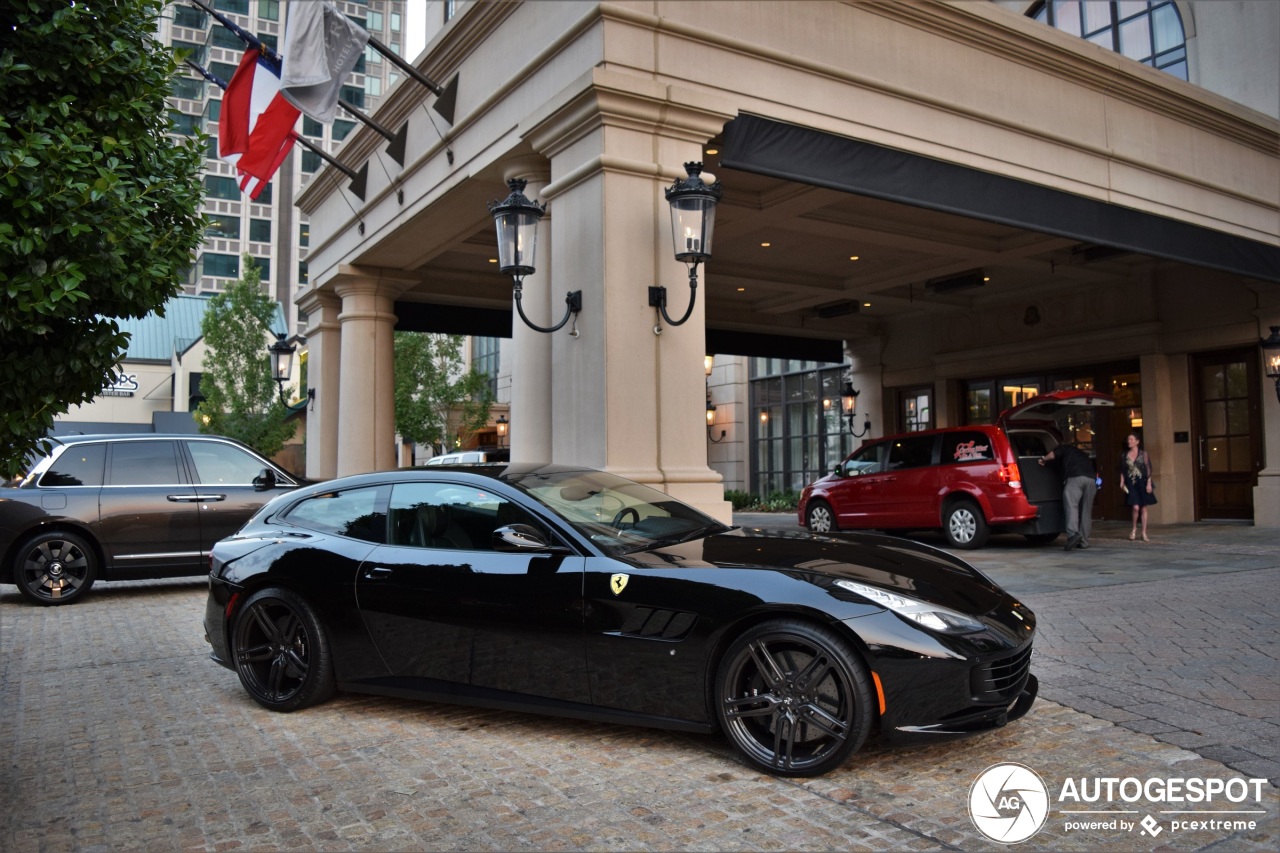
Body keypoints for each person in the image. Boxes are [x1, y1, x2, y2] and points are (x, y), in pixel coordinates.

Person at [1038, 442, 1096, 550]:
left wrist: (1044, 459)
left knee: (1071, 506)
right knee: (1086, 511)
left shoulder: (1065, 448)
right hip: (1091, 480)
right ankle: (1084, 541)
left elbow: (1053, 455)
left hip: (1075, 477)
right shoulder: (1082, 454)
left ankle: (1072, 535)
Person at [1119, 432, 1155, 541]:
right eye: (1128, 439)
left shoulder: (1144, 454)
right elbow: (1122, 470)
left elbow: (1148, 469)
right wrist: (1122, 482)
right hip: (1131, 483)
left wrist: (1149, 483)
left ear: (1137, 441)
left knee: (1143, 507)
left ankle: (1144, 532)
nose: (1129, 441)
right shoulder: (1124, 455)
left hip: (1143, 482)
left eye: (1131, 439)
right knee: (1135, 507)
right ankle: (1134, 529)